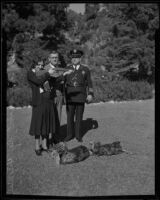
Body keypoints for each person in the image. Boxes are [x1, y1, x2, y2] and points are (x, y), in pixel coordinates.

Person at [64, 49, 94, 143]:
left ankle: (78, 135)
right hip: (70, 96)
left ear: (80, 58)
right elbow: (62, 82)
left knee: (79, 117)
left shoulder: (85, 69)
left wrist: (90, 94)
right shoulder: (66, 68)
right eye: (72, 57)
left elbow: (90, 83)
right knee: (69, 117)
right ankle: (69, 135)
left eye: (76, 57)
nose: (74, 59)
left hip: (81, 96)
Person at [27, 60, 56, 155]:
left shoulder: (44, 72)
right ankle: (37, 147)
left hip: (47, 100)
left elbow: (53, 81)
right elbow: (38, 81)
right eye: (38, 65)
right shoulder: (31, 73)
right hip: (38, 101)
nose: (40, 66)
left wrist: (63, 74)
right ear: (34, 65)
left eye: (42, 65)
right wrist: (48, 73)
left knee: (46, 123)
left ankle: (44, 145)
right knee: (38, 124)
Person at [44, 50, 66, 147]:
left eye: (56, 57)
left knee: (58, 116)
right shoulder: (45, 69)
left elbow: (64, 82)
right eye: (53, 57)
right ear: (49, 59)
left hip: (59, 95)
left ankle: (56, 138)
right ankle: (48, 139)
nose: (55, 59)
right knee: (49, 118)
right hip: (49, 96)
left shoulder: (61, 69)